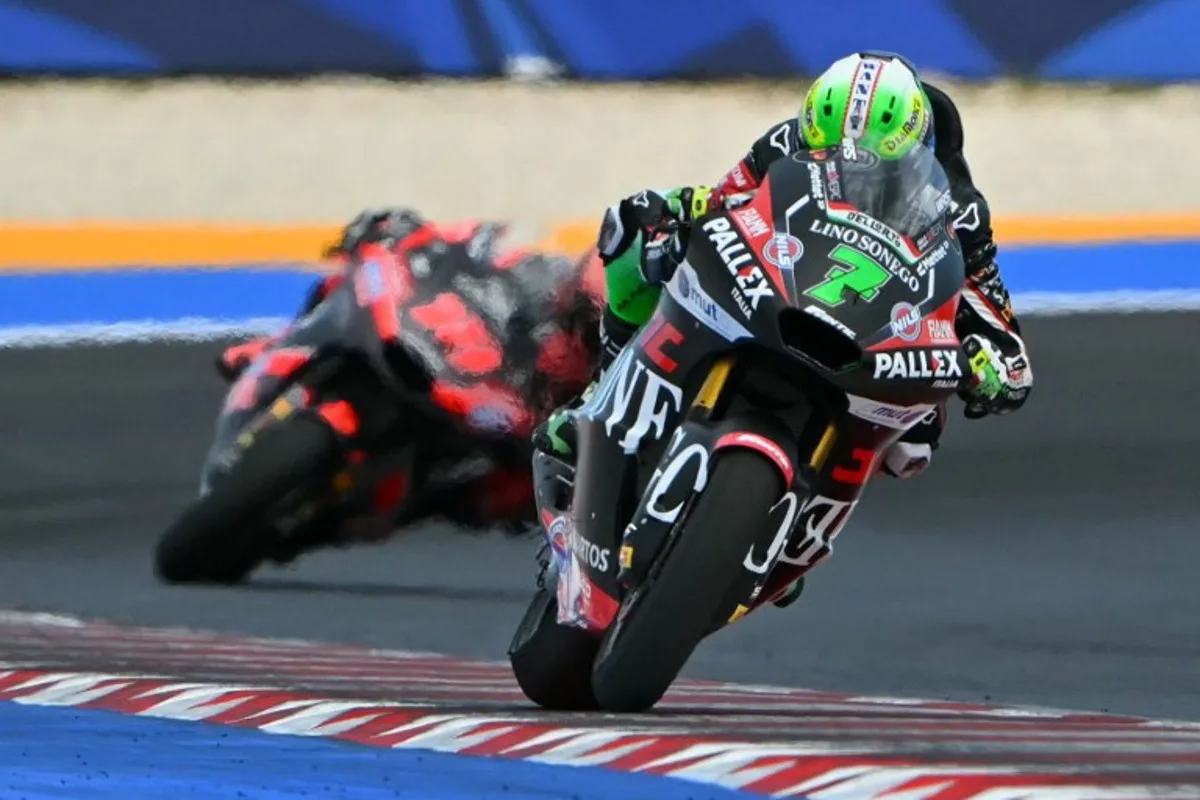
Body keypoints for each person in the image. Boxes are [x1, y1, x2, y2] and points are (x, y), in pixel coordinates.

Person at [534, 51, 1033, 484]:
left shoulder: (959, 211)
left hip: (878, 342)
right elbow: (721, 202)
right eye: (827, 153)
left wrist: (987, 364)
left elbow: (1006, 345)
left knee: (913, 445)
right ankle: (601, 397)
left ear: (912, 151)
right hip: (781, 289)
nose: (847, 170)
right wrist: (672, 210)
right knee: (634, 230)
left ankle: (804, 514)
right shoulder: (784, 143)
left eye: (871, 166)